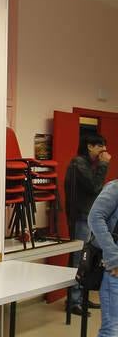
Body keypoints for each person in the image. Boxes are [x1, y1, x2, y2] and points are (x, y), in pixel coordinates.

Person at [65, 133, 110, 314]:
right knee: (79, 259)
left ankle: (82, 298)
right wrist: (104, 165)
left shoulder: (89, 164)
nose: (104, 150)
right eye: (100, 146)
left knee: (88, 259)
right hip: (81, 218)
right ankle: (74, 302)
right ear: (89, 146)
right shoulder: (78, 163)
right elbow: (94, 187)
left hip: (88, 217)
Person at [85, 179, 118, 337]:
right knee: (112, 330)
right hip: (114, 269)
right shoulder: (115, 188)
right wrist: (113, 257)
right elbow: (95, 217)